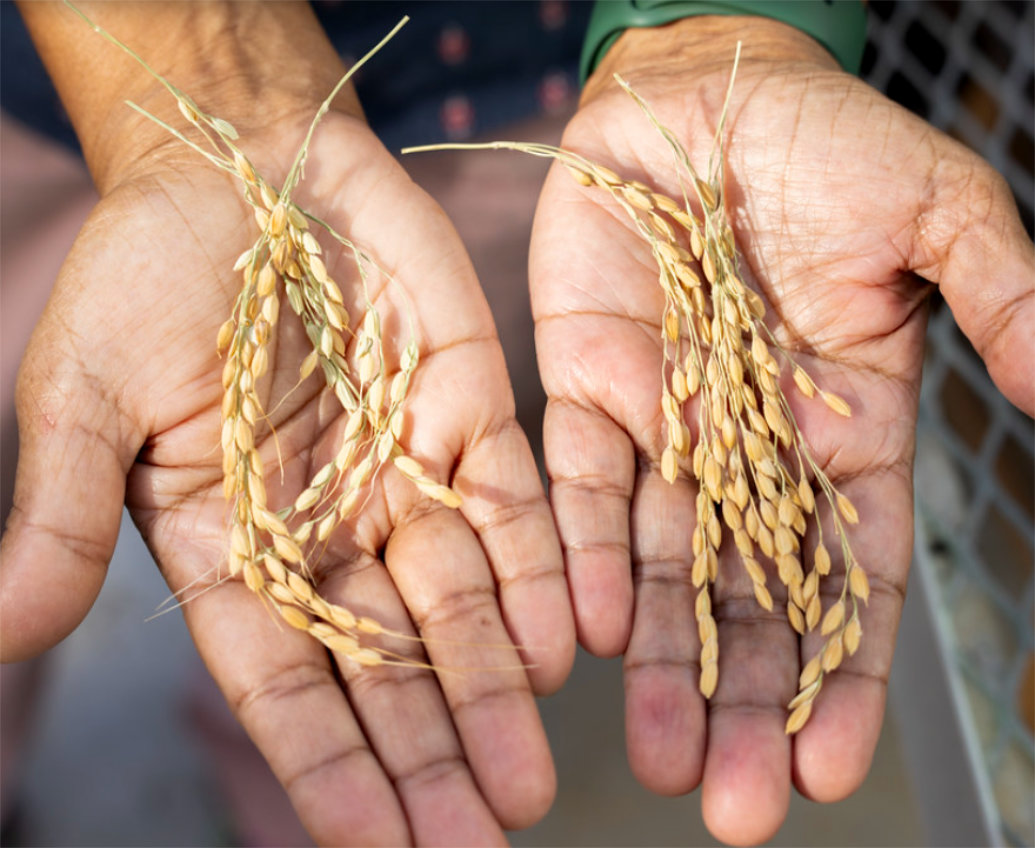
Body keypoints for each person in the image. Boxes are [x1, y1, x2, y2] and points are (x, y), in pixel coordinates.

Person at [1, 2, 1031, 847]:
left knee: (380, 570)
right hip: (78, 75)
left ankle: (271, 803)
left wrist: (724, 25)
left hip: (541, 91)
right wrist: (192, 86)